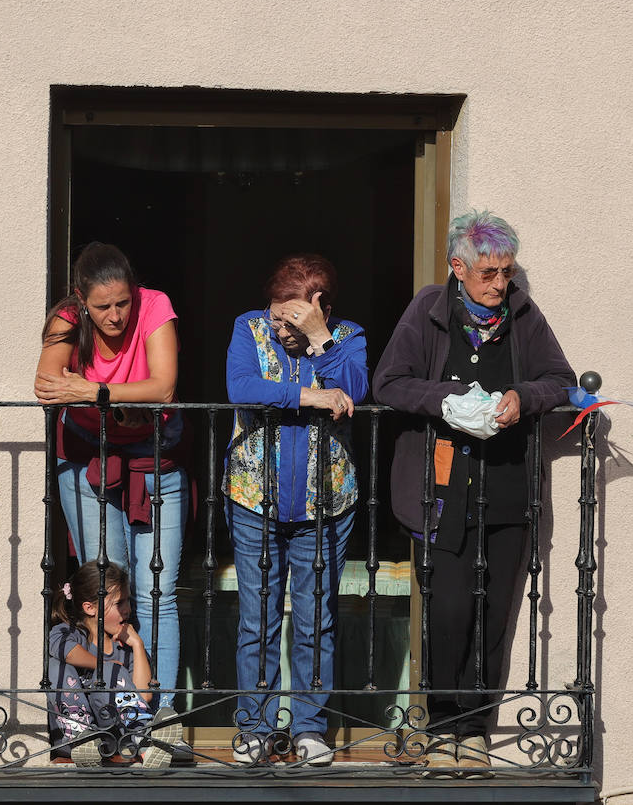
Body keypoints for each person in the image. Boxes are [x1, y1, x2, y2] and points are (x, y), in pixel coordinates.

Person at [373, 209, 575, 772]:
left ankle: (475, 731)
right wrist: (444, 400)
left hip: (508, 491)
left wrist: (521, 398)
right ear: (457, 267)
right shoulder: (428, 309)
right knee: (450, 611)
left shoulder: (523, 316)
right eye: (488, 273)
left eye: (506, 272)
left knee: (494, 614)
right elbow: (388, 382)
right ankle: (440, 726)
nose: (499, 284)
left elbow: (559, 379)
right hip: (442, 491)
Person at [222, 254, 368, 766]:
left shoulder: (347, 337)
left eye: (293, 318)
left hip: (325, 503)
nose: (280, 327)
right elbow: (240, 386)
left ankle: (309, 728)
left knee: (314, 620)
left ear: (320, 309)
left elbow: (355, 387)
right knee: (257, 620)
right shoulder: (249, 328)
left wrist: (320, 340)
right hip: (252, 498)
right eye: (277, 314)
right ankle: (256, 728)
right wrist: (307, 394)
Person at [34, 242, 188, 710]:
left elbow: (162, 387)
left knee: (157, 591)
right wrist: (117, 399)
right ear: (81, 300)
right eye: (102, 307)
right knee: (108, 594)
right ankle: (111, 711)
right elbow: (45, 385)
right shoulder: (67, 317)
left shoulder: (155, 305)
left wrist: (94, 390)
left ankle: (158, 715)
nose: (116, 315)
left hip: (154, 454)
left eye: (123, 302)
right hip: (87, 456)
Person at [47, 561, 181, 767]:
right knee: (57, 665)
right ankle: (81, 736)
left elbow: (144, 695)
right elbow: (64, 650)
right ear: (89, 608)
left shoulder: (125, 648)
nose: (127, 609)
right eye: (120, 603)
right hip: (75, 739)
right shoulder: (69, 632)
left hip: (116, 735)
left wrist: (137, 644)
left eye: (128, 601)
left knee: (113, 671)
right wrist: (104, 666)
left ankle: (144, 742)